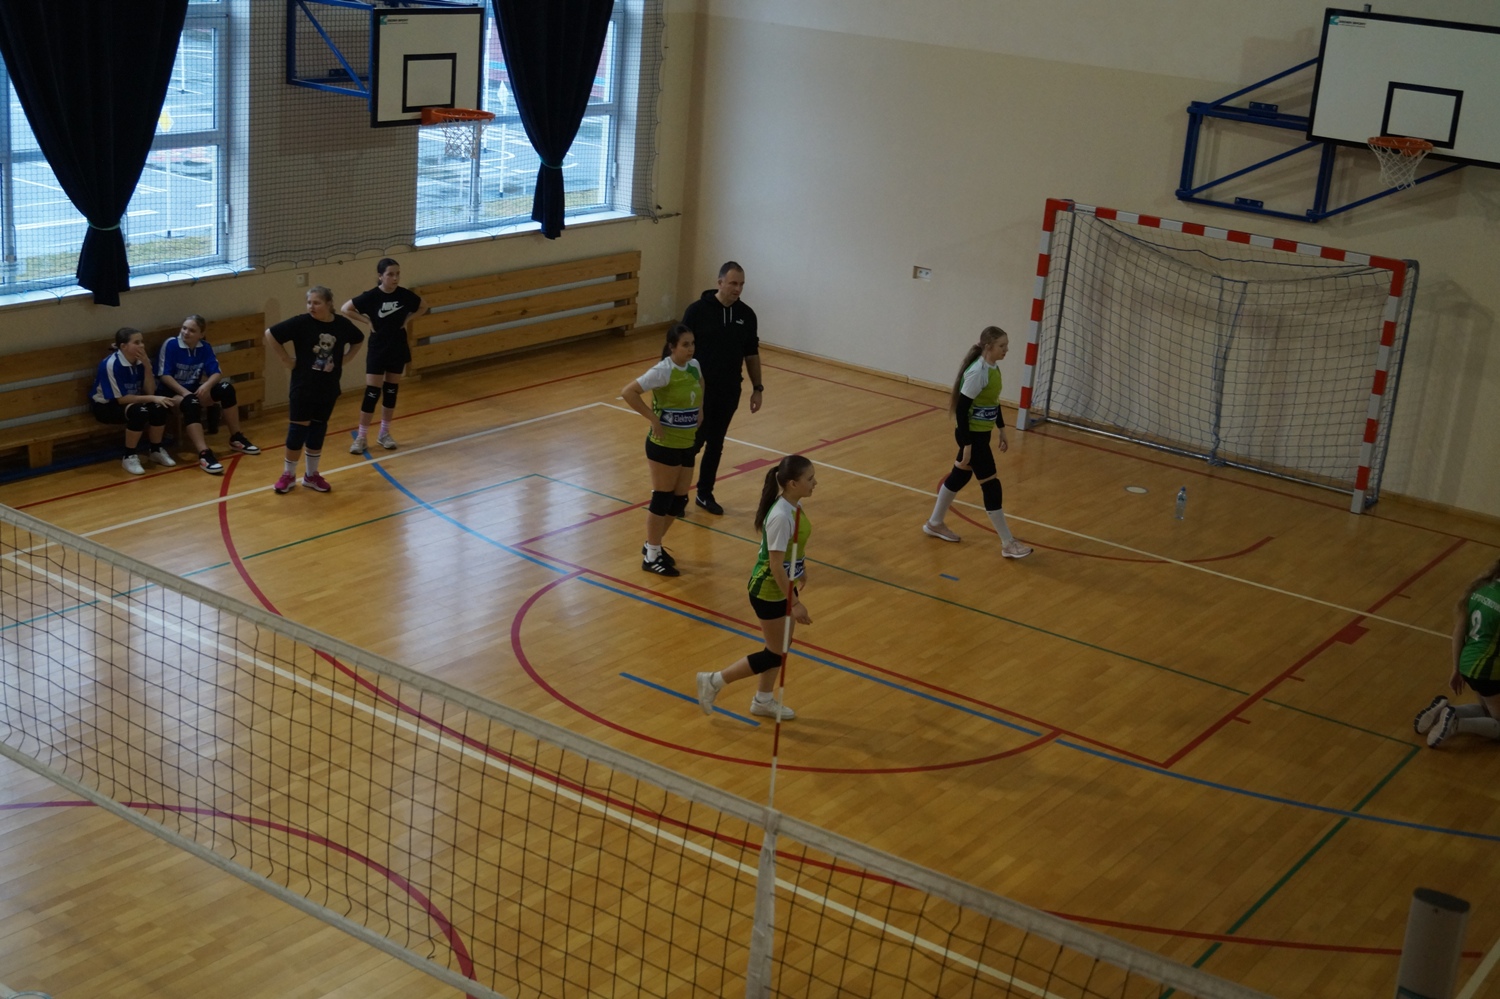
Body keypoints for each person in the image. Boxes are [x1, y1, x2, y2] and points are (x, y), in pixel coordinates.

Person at [695, 455, 816, 722]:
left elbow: (793, 547)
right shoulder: (781, 516)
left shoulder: (794, 506)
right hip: (768, 590)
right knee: (774, 652)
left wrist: (801, 567)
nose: (814, 483)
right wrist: (795, 602)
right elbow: (775, 564)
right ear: (793, 483)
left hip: (783, 585)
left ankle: (763, 700)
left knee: (781, 648)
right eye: (810, 479)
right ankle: (714, 681)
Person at [920, 326, 1032, 559]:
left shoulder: (993, 369)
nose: (1006, 350)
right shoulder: (978, 372)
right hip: (972, 436)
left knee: (960, 476)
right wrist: (968, 446)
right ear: (988, 346)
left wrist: (1001, 428)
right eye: (1002, 346)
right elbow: (961, 411)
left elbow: (992, 402)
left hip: (981, 434)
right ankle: (1008, 543)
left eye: (1006, 345)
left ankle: (935, 523)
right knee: (991, 484)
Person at [681, 261, 763, 516]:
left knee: (716, 444)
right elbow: (677, 348)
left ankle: (704, 494)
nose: (738, 289)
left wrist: (757, 388)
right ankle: (677, 497)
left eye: (741, 284)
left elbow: (751, 353)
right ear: (720, 283)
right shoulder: (696, 311)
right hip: (699, 392)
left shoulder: (747, 315)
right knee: (692, 444)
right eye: (733, 283)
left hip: (729, 391)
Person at [264, 287, 364, 494]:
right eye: (309, 302)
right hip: (303, 386)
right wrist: (285, 359)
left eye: (316, 303)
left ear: (329, 304)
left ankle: (311, 475)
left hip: (328, 387)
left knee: (318, 429)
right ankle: (288, 475)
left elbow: (358, 338)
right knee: (297, 430)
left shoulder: (341, 325)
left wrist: (346, 358)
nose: (311, 306)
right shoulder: (301, 323)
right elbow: (271, 333)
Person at [622, 324, 703, 577]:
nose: (690, 349)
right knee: (662, 497)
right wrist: (653, 419)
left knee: (680, 500)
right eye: (685, 345)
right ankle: (652, 555)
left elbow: (700, 384)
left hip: (687, 441)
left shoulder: (694, 366)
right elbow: (628, 392)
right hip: (664, 444)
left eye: (692, 344)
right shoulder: (663, 371)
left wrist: (700, 409)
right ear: (672, 347)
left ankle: (652, 545)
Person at [155, 313, 261, 475]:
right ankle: (204, 453)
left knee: (226, 389)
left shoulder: (204, 347)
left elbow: (216, 373)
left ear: (201, 334)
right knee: (191, 403)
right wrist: (185, 393)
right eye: (184, 328)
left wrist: (206, 385)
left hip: (193, 390)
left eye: (192, 330)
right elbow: (164, 376)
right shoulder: (171, 344)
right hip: (171, 393)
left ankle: (236, 437)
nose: (186, 333)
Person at [340, 257, 426, 454]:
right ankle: (362, 437)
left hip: (397, 346)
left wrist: (408, 319)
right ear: (380, 276)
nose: (395, 278)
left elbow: (423, 306)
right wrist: (367, 321)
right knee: (372, 392)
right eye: (390, 274)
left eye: (397, 274)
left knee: (391, 390)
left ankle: (384, 433)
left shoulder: (404, 295)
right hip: (378, 347)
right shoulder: (372, 296)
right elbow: (346, 309)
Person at [1416, 558, 1500, 748]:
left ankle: (1443, 712)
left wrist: (1456, 668)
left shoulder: (1478, 589)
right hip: (1488, 671)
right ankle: (1456, 723)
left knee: (1487, 710)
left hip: (1467, 663)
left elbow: (1458, 632)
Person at [90, 327, 177, 476]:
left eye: (142, 341)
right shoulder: (111, 364)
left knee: (159, 406)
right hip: (106, 406)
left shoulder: (140, 361)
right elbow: (121, 399)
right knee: (139, 412)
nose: (142, 345)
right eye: (137, 342)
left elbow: (150, 391)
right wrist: (153, 398)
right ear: (124, 346)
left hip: (132, 401)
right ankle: (129, 456)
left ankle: (156, 450)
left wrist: (147, 366)